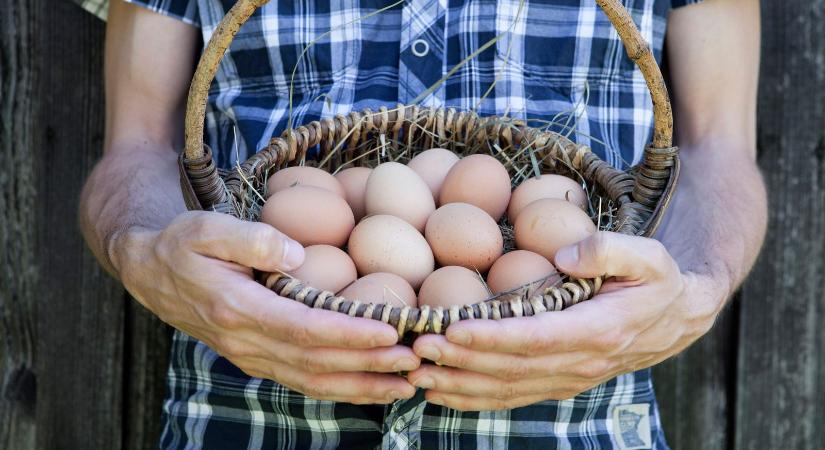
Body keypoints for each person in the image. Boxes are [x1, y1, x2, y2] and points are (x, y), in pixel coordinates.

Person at [77, 0, 765, 448]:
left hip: (570, 428)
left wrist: (694, 293)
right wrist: (141, 252)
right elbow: (138, 148)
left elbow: (716, 150)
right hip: (249, 422)